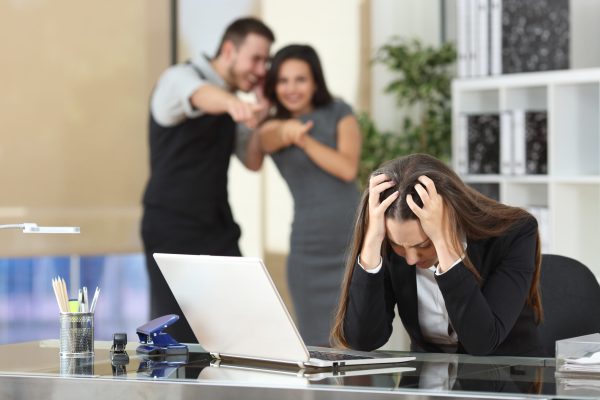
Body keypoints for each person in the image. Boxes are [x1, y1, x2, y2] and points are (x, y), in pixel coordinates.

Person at [331, 153, 547, 356]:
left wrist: (445, 244)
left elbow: (482, 342)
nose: (411, 259)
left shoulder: (515, 233)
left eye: (423, 244)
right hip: (428, 382)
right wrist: (371, 242)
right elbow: (363, 341)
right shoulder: (389, 244)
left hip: (510, 381)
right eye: (399, 246)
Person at [141, 17, 275, 343]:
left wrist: (262, 114)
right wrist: (234, 104)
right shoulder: (179, 78)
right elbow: (199, 95)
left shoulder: (234, 102)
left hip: (217, 228)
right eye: (256, 59)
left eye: (266, 61)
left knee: (247, 324)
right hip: (171, 228)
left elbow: (253, 160)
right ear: (229, 50)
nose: (261, 69)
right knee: (179, 337)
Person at [259, 44, 362, 346]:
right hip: (309, 252)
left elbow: (347, 168)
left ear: (315, 81)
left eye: (300, 79)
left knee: (358, 342)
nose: (291, 88)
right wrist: (285, 128)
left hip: (353, 247)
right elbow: (265, 140)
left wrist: (303, 140)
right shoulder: (272, 128)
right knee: (315, 345)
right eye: (283, 80)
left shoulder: (340, 112)